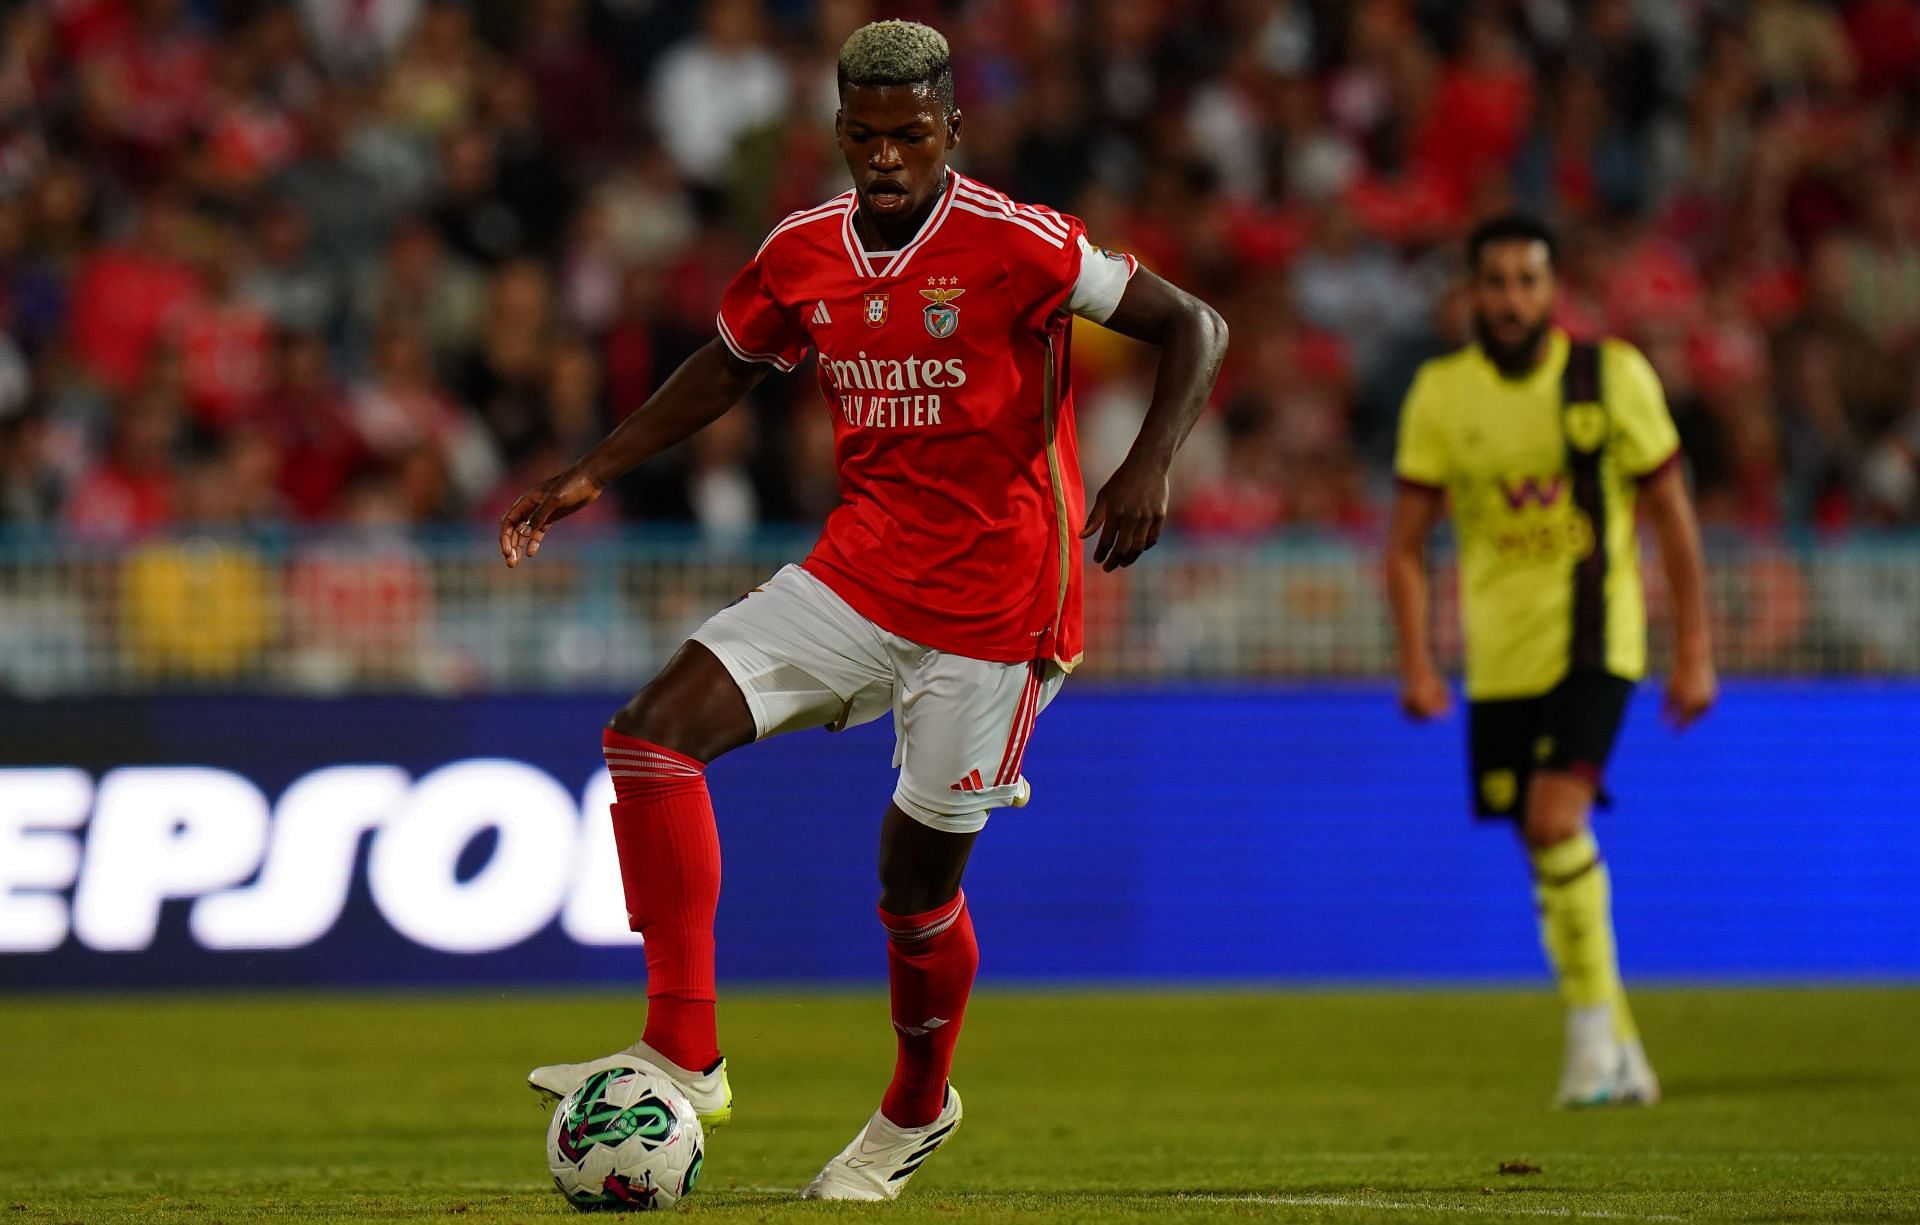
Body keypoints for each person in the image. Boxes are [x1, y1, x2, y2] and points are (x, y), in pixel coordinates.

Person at [499, 19, 1226, 1199]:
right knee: (648, 733)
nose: (886, 156)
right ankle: (685, 1044)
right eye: (866, 135)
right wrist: (595, 469)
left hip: (998, 604)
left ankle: (915, 1105)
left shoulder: (1019, 242)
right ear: (839, 132)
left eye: (911, 134)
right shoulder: (802, 251)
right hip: (859, 569)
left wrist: (1146, 466)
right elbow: (729, 363)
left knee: (913, 886)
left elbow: (1196, 322)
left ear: (953, 131)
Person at [1384, 215, 1716, 1108]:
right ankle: (1622, 1046)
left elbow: (1673, 518)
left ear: (1553, 289)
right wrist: (1418, 663)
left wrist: (1694, 651)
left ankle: (1586, 1042)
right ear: (1473, 293)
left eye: (1527, 281)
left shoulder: (1612, 376)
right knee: (1541, 841)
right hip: (1497, 659)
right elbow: (1407, 545)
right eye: (1495, 282)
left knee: (1556, 819)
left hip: (1596, 644)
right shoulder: (1441, 394)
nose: (1511, 299)